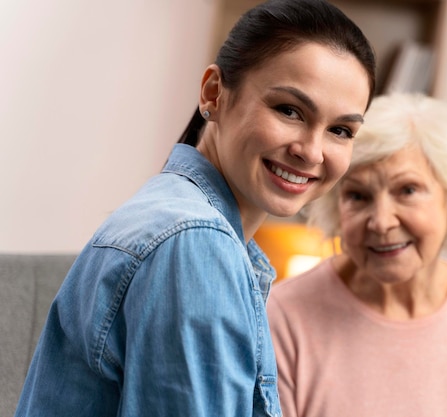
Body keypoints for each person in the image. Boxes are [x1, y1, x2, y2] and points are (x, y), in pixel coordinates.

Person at [15, 1, 376, 416]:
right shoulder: (193, 242)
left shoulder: (182, 221)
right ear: (213, 93)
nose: (311, 151)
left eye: (340, 130)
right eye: (289, 110)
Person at [267, 92, 447, 417]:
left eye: (407, 190)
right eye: (358, 196)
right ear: (337, 208)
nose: (381, 222)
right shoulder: (283, 316)